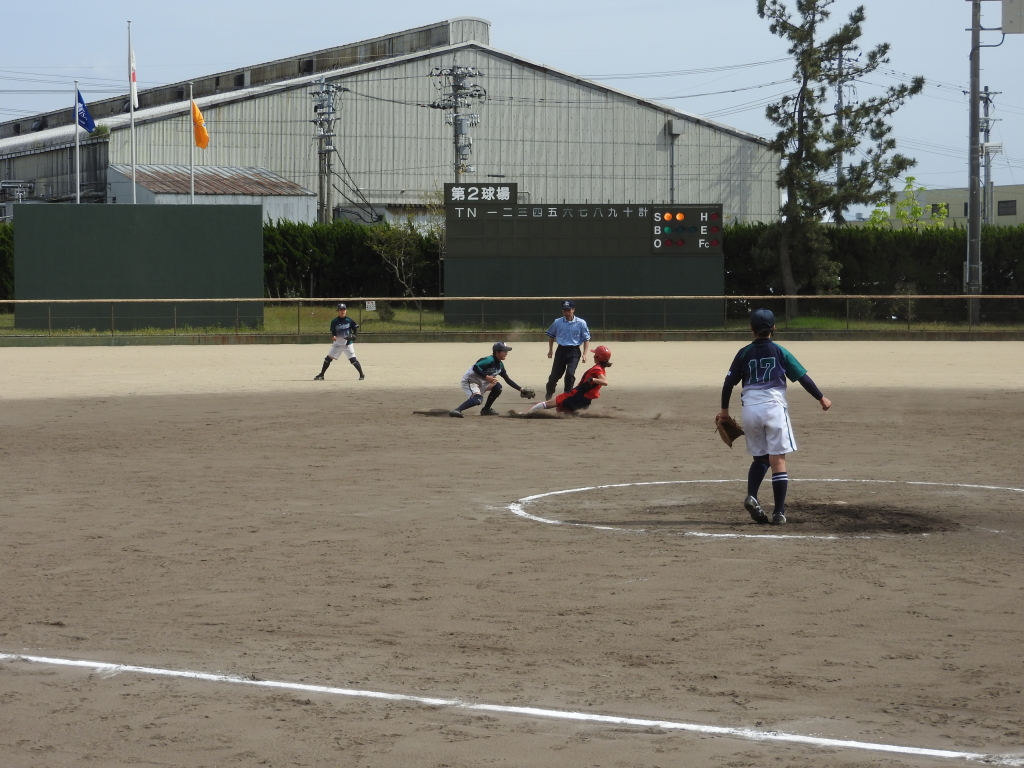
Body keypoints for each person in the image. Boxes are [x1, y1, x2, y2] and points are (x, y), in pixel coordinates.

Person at [719, 309, 831, 526]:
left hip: (750, 409)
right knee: (777, 459)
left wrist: (724, 412)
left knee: (760, 458)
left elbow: (728, 383)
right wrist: (821, 398)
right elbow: (803, 377)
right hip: (773, 408)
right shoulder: (780, 351)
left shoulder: (743, 353)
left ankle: (752, 496)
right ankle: (779, 512)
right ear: (773, 328)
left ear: (751, 329)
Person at [527, 345, 611, 415]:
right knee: (560, 410)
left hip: (576, 395)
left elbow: (605, 382)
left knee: (548, 403)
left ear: (597, 357)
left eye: (595, 354)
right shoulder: (602, 369)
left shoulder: (597, 369)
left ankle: (526, 413)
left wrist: (593, 379)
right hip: (585, 400)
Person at [450, 342, 527, 417]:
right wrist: (486, 377)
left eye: (507, 351)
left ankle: (486, 410)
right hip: (470, 381)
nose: (506, 353)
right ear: (497, 352)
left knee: (498, 387)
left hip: (482, 381)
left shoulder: (500, 365)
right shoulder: (489, 360)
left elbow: (507, 379)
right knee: (478, 399)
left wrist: (521, 389)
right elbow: (475, 367)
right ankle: (457, 410)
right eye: (504, 351)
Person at [544, 300, 591, 399]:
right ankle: (549, 393)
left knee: (569, 374)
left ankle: (567, 396)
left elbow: (586, 339)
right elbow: (551, 335)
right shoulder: (557, 322)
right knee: (554, 376)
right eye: (565, 310)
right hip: (561, 351)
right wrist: (550, 350)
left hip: (574, 351)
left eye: (569, 310)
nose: (567, 312)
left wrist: (584, 354)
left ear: (573, 310)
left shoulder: (581, 323)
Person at [313, 303, 365, 381]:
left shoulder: (349, 320)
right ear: (338, 311)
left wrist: (355, 336)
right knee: (328, 359)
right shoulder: (334, 321)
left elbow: (355, 328)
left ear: (346, 311)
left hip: (347, 344)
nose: (342, 311)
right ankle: (322, 375)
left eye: (344, 309)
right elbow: (333, 332)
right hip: (337, 344)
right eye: (341, 310)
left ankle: (361, 374)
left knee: (353, 360)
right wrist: (333, 336)